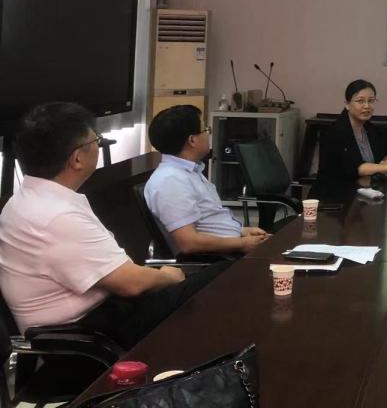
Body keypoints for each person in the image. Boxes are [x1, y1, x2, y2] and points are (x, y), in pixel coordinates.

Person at [0, 103, 229, 349]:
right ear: (77, 159)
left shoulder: (28, 199)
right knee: (223, 277)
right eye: (96, 141)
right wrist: (168, 276)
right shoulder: (56, 215)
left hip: (97, 313)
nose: (99, 146)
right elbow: (131, 283)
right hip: (89, 330)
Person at [145, 104, 270, 256]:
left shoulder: (189, 171)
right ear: (192, 140)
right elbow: (189, 243)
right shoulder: (170, 181)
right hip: (219, 259)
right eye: (206, 130)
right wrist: (242, 243)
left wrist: (242, 232)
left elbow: (208, 222)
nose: (208, 134)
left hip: (232, 247)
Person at [315, 80, 387, 189]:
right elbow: (355, 168)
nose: (366, 106)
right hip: (336, 192)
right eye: (360, 101)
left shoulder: (369, 127)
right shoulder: (335, 131)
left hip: (366, 188)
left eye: (371, 101)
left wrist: (386, 164)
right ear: (347, 104)